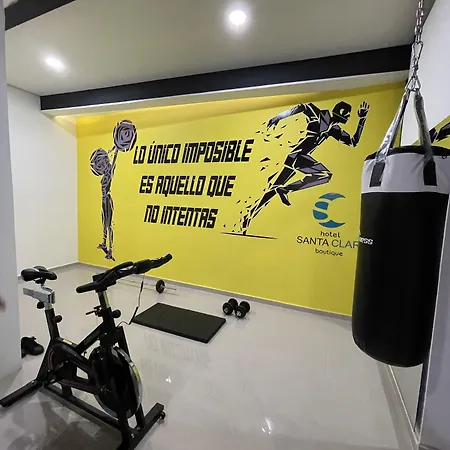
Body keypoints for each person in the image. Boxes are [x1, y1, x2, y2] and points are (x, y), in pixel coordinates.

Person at [241, 100, 370, 233]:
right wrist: (278, 117)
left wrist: (362, 119)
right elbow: (303, 107)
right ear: (340, 113)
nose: (348, 117)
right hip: (298, 156)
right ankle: (285, 190)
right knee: (324, 175)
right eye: (347, 114)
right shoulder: (319, 115)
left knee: (274, 188)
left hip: (298, 158)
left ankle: (249, 216)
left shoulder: (334, 129)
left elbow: (353, 141)